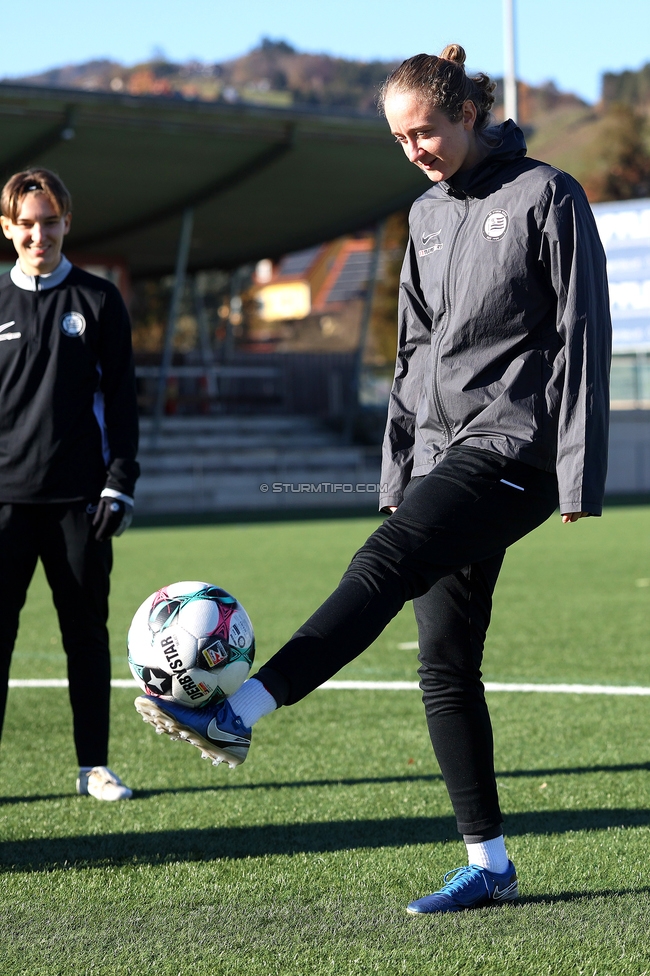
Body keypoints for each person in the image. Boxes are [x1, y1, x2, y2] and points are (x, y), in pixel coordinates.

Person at [135, 45, 611, 911]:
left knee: (385, 561)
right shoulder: (425, 214)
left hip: (515, 447)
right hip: (436, 450)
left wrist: (577, 473)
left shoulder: (546, 195)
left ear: (467, 113)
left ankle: (241, 711)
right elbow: (412, 350)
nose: (416, 150)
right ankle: (490, 862)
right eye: (400, 139)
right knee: (444, 659)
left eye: (425, 131)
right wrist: (399, 464)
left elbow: (584, 332)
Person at [0, 168, 139, 801]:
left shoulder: (100, 300)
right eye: (26, 224)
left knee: (86, 634)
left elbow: (123, 399)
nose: (38, 235)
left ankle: (94, 767)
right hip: (4, 502)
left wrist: (119, 483)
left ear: (66, 223)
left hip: (80, 501)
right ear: (8, 229)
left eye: (49, 221)